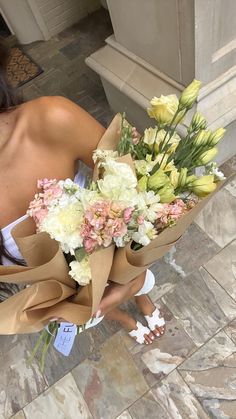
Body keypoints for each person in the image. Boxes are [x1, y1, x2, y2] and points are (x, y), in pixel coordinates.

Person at [0, 41, 165, 345]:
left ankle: (142, 298)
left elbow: (143, 191)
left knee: (133, 281)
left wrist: (128, 282)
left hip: (118, 257)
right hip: (63, 295)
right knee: (92, 309)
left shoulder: (52, 118)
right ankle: (124, 317)